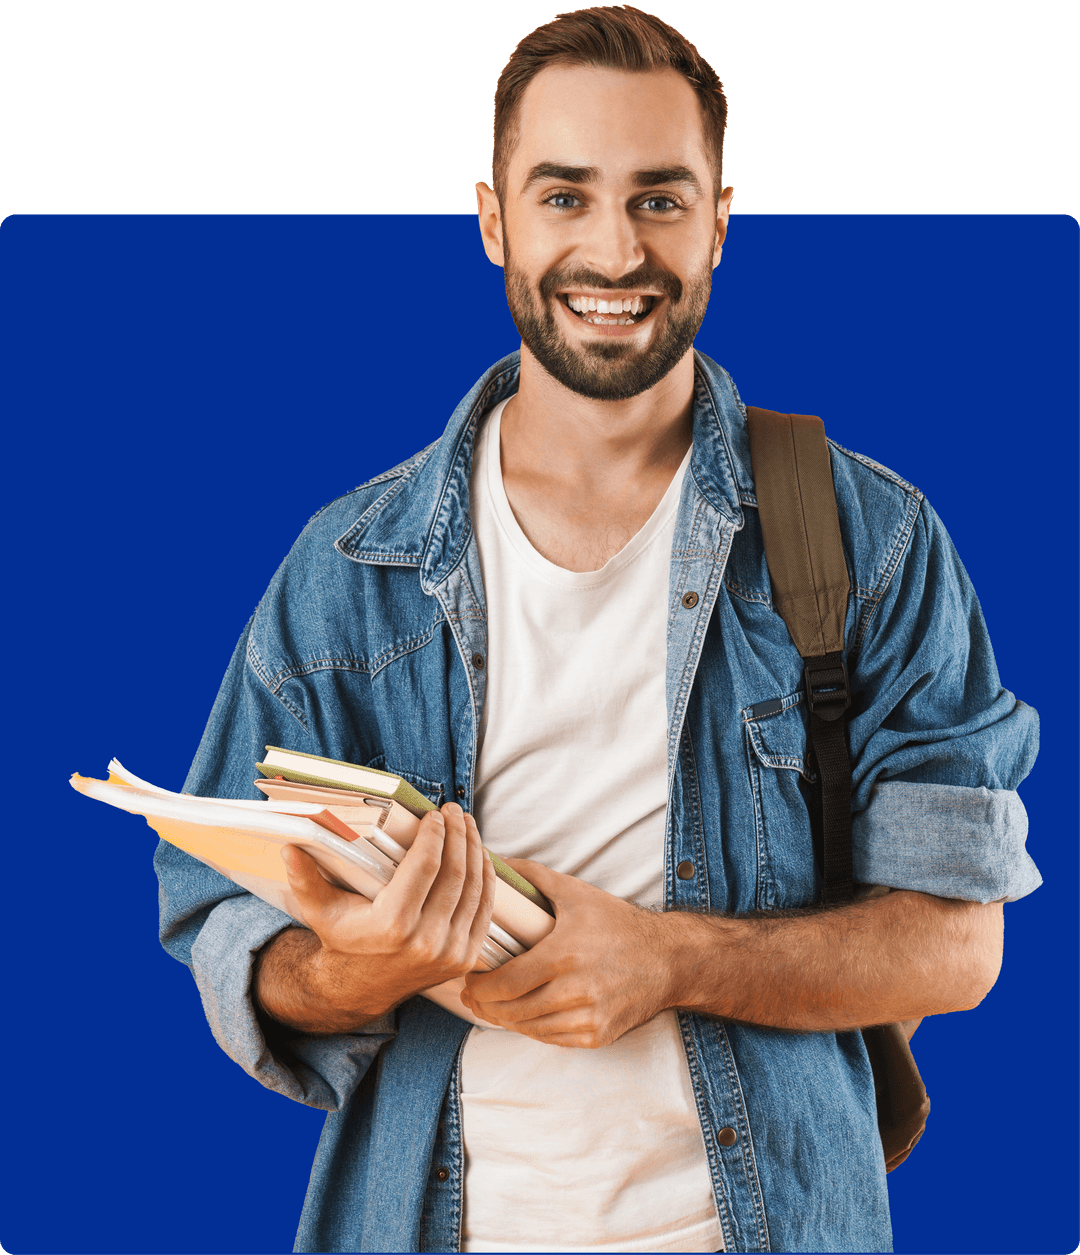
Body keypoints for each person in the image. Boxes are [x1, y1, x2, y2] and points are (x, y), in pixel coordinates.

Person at [155, 7, 1041, 1252]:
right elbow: (227, 927)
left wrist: (668, 960)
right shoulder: (348, 572)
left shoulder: (864, 538)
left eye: (660, 201)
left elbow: (957, 942)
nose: (613, 251)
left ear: (720, 223)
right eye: (565, 197)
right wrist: (366, 963)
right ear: (494, 220)